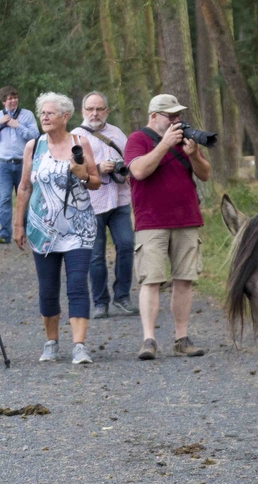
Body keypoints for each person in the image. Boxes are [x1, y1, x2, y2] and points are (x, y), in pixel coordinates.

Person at [13, 92, 101, 365]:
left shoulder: (80, 142)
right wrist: (18, 224)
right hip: (43, 229)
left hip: (79, 228)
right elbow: (25, 186)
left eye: (51, 113)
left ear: (65, 117)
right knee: (48, 288)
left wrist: (83, 175)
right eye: (42, 113)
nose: (45, 117)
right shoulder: (33, 146)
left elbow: (96, 181)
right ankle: (51, 342)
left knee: (77, 284)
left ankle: (79, 346)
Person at [124, 94, 210, 360]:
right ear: (154, 117)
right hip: (152, 221)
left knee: (184, 280)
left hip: (187, 218)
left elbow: (205, 174)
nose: (176, 121)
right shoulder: (138, 139)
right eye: (170, 116)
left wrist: (194, 154)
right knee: (151, 280)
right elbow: (138, 170)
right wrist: (164, 145)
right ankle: (148, 339)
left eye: (178, 116)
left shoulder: (185, 139)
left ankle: (181, 338)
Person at [73, 91, 136, 319]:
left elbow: (131, 162)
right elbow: (70, 173)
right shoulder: (75, 137)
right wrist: (98, 168)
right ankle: (100, 302)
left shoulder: (118, 134)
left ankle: (123, 297)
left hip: (119, 200)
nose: (95, 113)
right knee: (96, 256)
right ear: (83, 111)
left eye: (99, 109)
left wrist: (125, 170)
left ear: (107, 111)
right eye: (90, 109)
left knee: (127, 246)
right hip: (91, 204)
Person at [0, 86, 39, 244]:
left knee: (26, 198)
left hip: (24, 163)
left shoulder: (27, 115)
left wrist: (18, 126)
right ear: (3, 101)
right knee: (4, 199)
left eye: (15, 97)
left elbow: (35, 136)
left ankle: (27, 232)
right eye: (9, 98)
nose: (13, 100)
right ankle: (4, 234)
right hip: (3, 165)